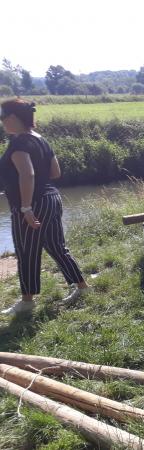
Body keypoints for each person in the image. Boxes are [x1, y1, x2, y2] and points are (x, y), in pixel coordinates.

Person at [0, 99, 89, 316]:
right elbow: (55, 172)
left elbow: (27, 173)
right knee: (57, 246)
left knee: (26, 251)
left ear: (12, 118)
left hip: (32, 204)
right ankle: (82, 287)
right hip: (52, 198)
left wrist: (26, 207)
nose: (1, 122)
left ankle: (27, 301)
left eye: (2, 117)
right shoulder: (41, 140)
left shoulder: (19, 143)